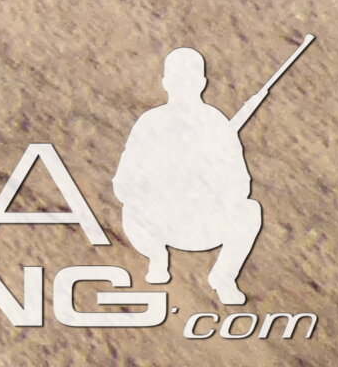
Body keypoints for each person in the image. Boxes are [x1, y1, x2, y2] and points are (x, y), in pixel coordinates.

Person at [114, 48, 271, 306]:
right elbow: (123, 183)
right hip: (158, 224)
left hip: (204, 224)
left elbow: (241, 185)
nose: (183, 86)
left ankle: (224, 277)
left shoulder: (216, 124)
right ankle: (157, 258)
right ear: (166, 83)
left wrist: (207, 182)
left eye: (188, 80)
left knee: (249, 211)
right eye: (178, 80)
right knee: (131, 211)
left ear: (201, 83)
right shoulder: (150, 122)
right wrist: (159, 186)